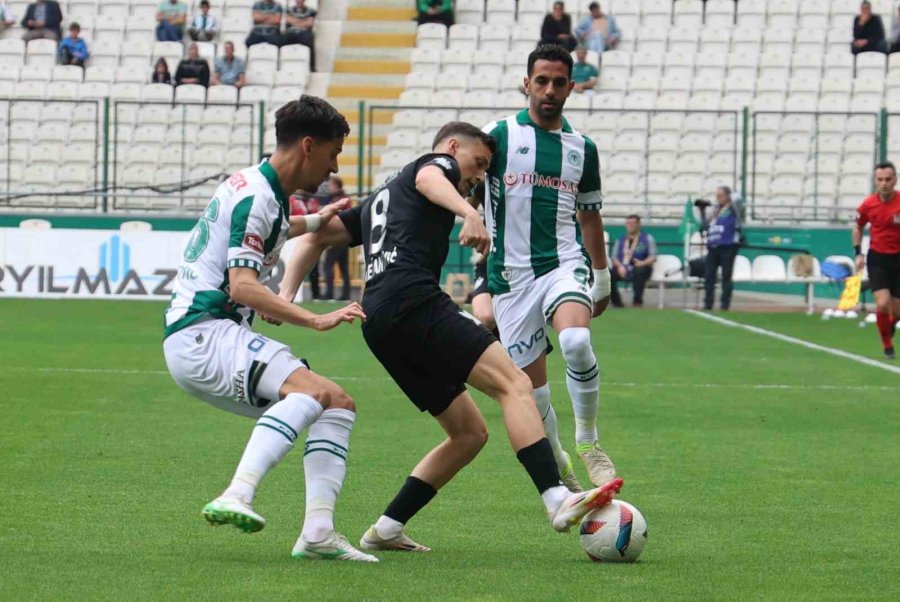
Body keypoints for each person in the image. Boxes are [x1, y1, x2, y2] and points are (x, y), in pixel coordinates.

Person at [279, 121, 623, 552]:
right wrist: (470, 212)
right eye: (478, 163)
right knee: (515, 384)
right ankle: (556, 498)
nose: (478, 176)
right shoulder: (431, 166)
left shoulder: (382, 196)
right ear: (454, 147)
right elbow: (430, 174)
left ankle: (386, 528)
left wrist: (286, 294)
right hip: (414, 300)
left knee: (468, 433)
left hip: (379, 321)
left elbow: (319, 235)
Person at [162, 95, 378, 562]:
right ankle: (237, 493)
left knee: (337, 402)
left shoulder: (257, 186)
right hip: (206, 333)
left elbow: (276, 226)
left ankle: (319, 533)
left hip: (201, 336)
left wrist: (320, 219)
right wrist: (312, 316)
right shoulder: (258, 198)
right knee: (311, 394)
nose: (334, 164)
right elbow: (242, 287)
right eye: (333, 152)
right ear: (307, 145)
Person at [481, 44, 614, 491]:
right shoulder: (496, 137)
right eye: (542, 81)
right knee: (533, 394)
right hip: (511, 280)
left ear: (572, 88)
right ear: (526, 83)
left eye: (559, 82)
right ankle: (560, 463)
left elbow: (590, 216)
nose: (550, 90)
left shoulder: (582, 149)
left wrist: (602, 276)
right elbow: (456, 178)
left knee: (576, 340)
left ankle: (589, 441)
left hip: (562, 263)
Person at [853, 161, 900, 359]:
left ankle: (888, 326)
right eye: (880, 179)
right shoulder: (868, 205)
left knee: (896, 311)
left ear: (895, 180)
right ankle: (887, 343)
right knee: (882, 304)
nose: (884, 183)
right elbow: (858, 227)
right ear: (875, 181)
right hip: (878, 258)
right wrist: (858, 253)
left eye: (888, 179)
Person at [700, 186, 743, 311]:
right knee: (709, 276)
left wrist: (730, 196)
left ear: (727, 196)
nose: (718, 198)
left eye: (720, 195)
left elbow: (738, 199)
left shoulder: (733, 208)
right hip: (713, 246)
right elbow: (705, 225)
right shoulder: (715, 210)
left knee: (726, 276)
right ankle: (708, 303)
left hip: (728, 245)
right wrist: (703, 213)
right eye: (717, 196)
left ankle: (725, 304)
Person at [610, 215, 656, 308]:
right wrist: (619, 267)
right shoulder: (620, 240)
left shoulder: (647, 238)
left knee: (640, 272)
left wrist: (642, 263)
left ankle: (637, 302)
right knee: (608, 275)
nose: (630, 225)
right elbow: (614, 257)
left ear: (639, 224)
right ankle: (617, 303)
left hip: (641, 266)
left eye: (633, 223)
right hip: (623, 267)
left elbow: (653, 256)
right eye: (628, 223)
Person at [289, 187, 323, 299]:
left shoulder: (313, 200)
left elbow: (318, 214)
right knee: (294, 266)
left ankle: (316, 294)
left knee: (313, 267)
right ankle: (292, 293)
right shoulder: (292, 200)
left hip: (312, 235)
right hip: (296, 237)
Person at [322, 176, 351, 301]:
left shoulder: (339, 201)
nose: (329, 187)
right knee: (343, 267)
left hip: (336, 237)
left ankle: (329, 294)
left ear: (337, 186)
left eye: (331, 185)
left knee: (328, 266)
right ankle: (345, 294)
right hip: (345, 237)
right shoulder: (342, 199)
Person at [282, 0, 316, 70]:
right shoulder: (288, 10)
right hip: (291, 33)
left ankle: (311, 66)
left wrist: (295, 21)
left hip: (304, 33)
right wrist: (303, 22)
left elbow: (309, 23)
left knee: (309, 39)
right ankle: (281, 65)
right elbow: (289, 20)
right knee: (280, 39)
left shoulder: (312, 11)